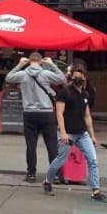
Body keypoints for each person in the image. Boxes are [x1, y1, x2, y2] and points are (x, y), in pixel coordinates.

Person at [43, 66, 107, 202]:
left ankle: (95, 190)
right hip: (67, 133)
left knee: (93, 160)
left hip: (82, 133)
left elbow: (87, 116)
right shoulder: (64, 93)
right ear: (71, 78)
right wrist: (63, 132)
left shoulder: (85, 95)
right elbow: (59, 113)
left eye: (80, 77)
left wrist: (92, 135)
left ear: (84, 78)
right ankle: (47, 181)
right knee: (60, 160)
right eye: (75, 77)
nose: (77, 79)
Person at [5, 51, 67, 183]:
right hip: (47, 113)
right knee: (52, 145)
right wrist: (52, 64)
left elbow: (8, 78)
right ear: (40, 61)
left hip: (29, 113)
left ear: (29, 61)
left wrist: (19, 65)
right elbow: (62, 78)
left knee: (31, 145)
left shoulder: (22, 75)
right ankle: (54, 175)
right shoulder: (45, 73)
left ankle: (31, 174)